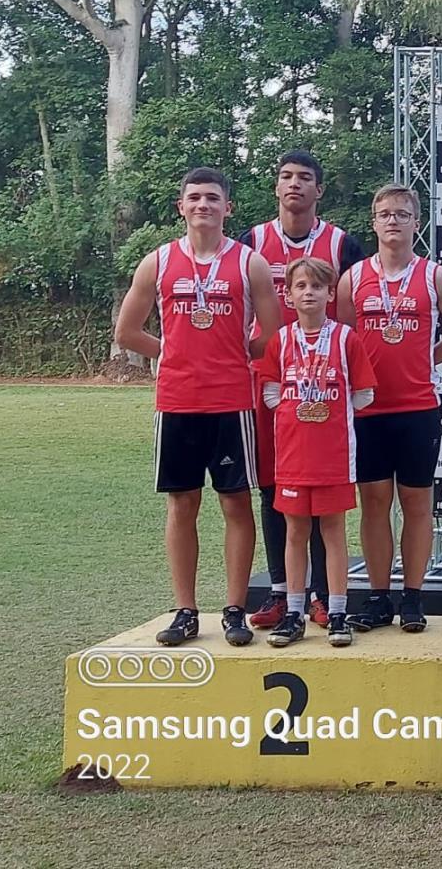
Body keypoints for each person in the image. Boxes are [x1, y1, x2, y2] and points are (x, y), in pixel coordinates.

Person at [115, 166, 282, 647]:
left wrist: (230, 357)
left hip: (232, 402)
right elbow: (127, 332)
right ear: (181, 207)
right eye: (195, 198)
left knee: (235, 502)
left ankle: (233, 609)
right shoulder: (159, 262)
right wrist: (171, 354)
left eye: (213, 198)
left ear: (228, 207)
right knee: (182, 503)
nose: (203, 205)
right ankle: (185, 610)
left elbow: (269, 337)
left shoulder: (248, 264)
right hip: (177, 402)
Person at [338, 184, 442, 633]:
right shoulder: (353, 278)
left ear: (417, 222)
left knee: (416, 502)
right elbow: (342, 340)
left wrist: (423, 360)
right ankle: (378, 597)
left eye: (402, 214)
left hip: (418, 408)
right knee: (374, 503)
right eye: (384, 214)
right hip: (369, 409)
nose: (392, 220)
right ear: (374, 223)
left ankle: (413, 597)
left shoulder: (435, 276)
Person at [241, 151, 364, 632]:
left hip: (327, 388)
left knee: (324, 496)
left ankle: (321, 597)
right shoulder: (252, 242)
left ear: (319, 190)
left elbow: (352, 314)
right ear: (276, 187)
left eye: (305, 178)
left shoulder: (340, 243)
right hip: (272, 383)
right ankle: (280, 593)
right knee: (275, 486)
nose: (295, 185)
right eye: (286, 177)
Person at [254, 257, 377, 646]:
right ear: (289, 295)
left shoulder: (345, 339)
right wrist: (300, 412)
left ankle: (337, 611)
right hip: (292, 457)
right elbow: (272, 392)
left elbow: (363, 394)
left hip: (334, 457)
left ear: (329, 293)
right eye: (301, 286)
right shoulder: (281, 340)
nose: (309, 292)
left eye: (317, 286)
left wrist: (324, 412)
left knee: (333, 532)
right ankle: (293, 613)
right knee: (294, 532)